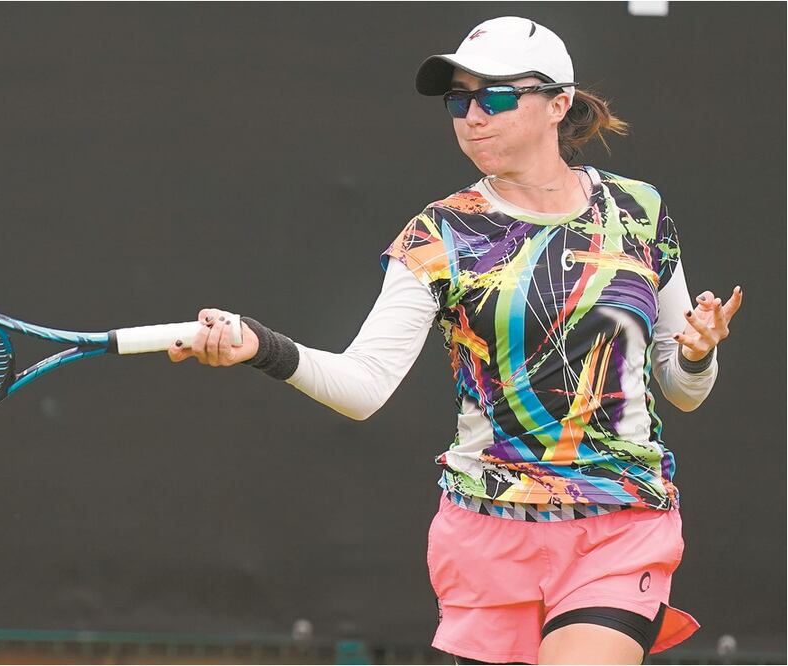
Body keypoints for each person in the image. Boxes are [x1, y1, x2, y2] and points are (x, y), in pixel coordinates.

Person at [167, 16, 743, 665]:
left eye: (495, 97)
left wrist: (696, 352)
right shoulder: (436, 235)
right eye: (458, 100)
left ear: (558, 104)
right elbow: (363, 387)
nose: (473, 115)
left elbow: (682, 390)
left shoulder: (639, 211)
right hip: (486, 539)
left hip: (620, 525)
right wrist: (260, 347)